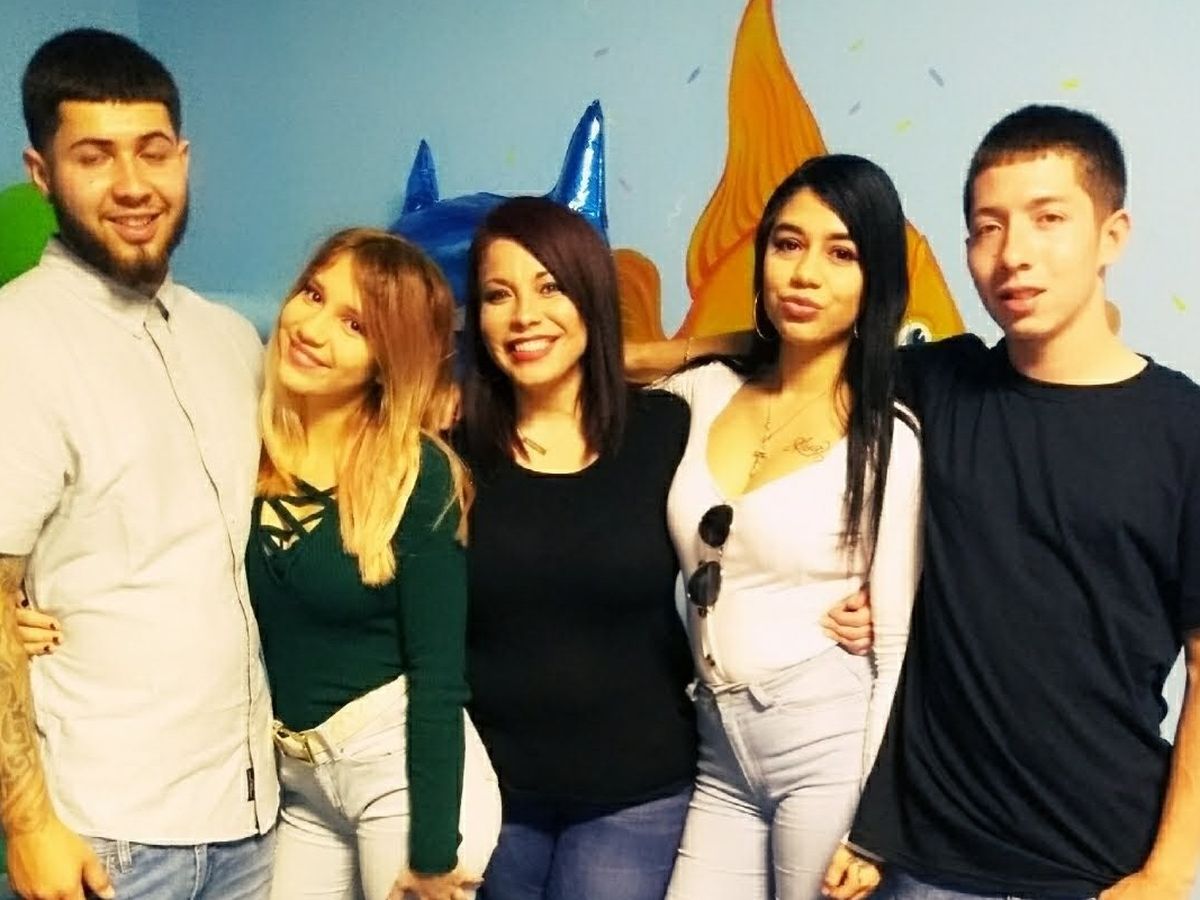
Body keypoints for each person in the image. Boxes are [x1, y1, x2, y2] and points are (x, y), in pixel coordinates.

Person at [822, 106, 1200, 900]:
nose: (1013, 254)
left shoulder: (1184, 428)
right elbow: (790, 366)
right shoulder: (937, 385)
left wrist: (1169, 871)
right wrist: (875, 591)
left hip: (1100, 862)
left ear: (1113, 235)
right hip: (928, 860)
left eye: (1048, 218)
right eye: (987, 228)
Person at [0, 28, 276, 900]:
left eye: (152, 152)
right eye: (94, 156)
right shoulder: (18, 340)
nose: (132, 184)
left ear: (183, 160)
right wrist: (29, 824)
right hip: (105, 835)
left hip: (252, 815)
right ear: (42, 172)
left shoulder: (230, 339)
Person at [654, 155, 921, 900]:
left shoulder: (888, 440)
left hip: (827, 742)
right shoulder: (701, 391)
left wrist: (875, 825)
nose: (805, 274)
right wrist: (697, 345)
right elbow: (593, 389)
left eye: (841, 254)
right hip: (718, 746)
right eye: (787, 244)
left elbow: (895, 646)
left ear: (875, 280)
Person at [247, 228, 499, 900]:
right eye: (313, 294)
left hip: (403, 777)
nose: (312, 329)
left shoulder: (416, 475)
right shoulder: (246, 446)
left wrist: (434, 855)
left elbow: (438, 678)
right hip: (300, 780)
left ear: (388, 359)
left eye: (354, 324)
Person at [459, 196, 697, 900]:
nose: (524, 316)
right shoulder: (448, 455)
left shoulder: (667, 428)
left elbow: (761, 545)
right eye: (498, 295)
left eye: (550, 287)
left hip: (635, 795)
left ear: (590, 295)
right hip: (490, 797)